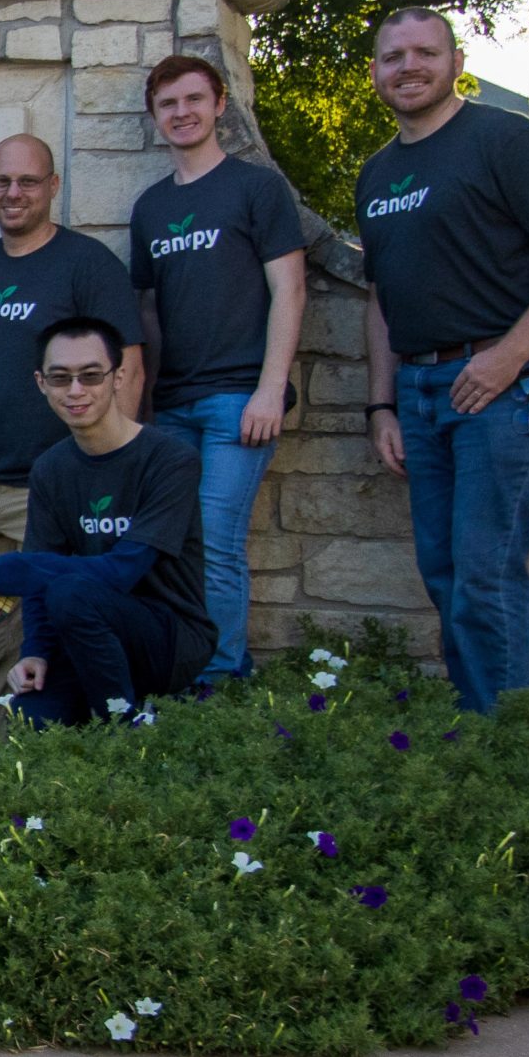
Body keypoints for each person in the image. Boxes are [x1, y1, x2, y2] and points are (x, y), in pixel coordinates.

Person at [356, 8, 529, 713]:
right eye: (392, 57)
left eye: (424, 53)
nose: (408, 67)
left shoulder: (504, 139)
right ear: (376, 71)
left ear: (454, 61)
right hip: (419, 388)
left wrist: (509, 356)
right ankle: (484, 727)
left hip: (510, 383)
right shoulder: (377, 173)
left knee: (484, 569)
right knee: (444, 571)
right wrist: (381, 403)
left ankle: (509, 742)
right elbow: (381, 297)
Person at [0, 135, 145, 710]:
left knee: (55, 635)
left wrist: (110, 472)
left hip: (53, 492)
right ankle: (10, 764)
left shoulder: (87, 265)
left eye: (28, 181)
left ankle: (56, 770)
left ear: (54, 187)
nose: (14, 193)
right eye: (2, 182)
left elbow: (129, 372)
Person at [128, 57, 305, 686]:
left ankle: (222, 678)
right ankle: (180, 668)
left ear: (219, 105)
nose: (182, 113)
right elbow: (147, 313)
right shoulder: (150, 208)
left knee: (217, 542)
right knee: (173, 543)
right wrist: (141, 404)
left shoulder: (255, 189)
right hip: (172, 406)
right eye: (169, 104)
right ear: (154, 118)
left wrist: (269, 389)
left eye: (194, 99)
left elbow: (290, 291)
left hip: (238, 400)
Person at [0, 317, 215, 726]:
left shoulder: (170, 460)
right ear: (40, 383)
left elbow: (123, 570)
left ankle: (121, 731)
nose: (76, 390)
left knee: (71, 591)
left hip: (168, 639)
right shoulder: (51, 468)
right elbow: (46, 567)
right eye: (61, 378)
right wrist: (37, 651)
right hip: (82, 633)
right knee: (32, 720)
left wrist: (9, 569)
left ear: (118, 378)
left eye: (91, 376)